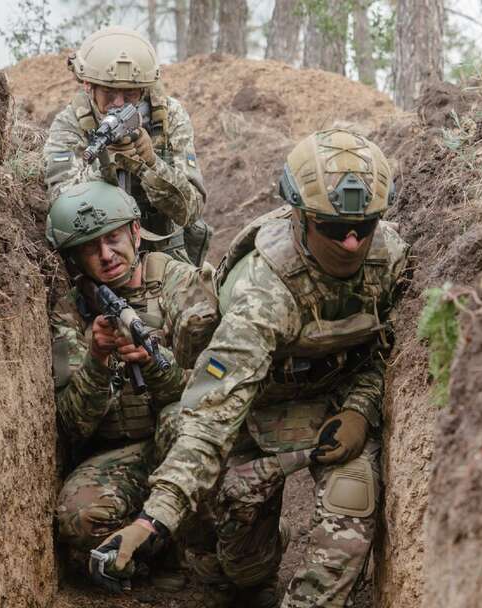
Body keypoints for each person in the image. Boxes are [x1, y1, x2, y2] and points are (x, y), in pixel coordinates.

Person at [91, 129, 411, 607]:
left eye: (364, 227)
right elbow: (212, 413)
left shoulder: (391, 260)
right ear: (301, 218)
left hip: (329, 405)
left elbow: (389, 351)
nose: (350, 243)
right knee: (242, 571)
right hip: (250, 409)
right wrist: (152, 519)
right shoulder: (263, 293)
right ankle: (247, 550)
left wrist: (362, 409)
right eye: (333, 227)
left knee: (353, 492)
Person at [46, 179, 216, 591]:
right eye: (91, 248)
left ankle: (222, 553)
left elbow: (215, 396)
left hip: (184, 438)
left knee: (181, 420)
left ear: (136, 231)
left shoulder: (182, 285)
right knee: (78, 518)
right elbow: (73, 425)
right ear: (76, 258)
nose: (106, 256)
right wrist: (98, 360)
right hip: (123, 451)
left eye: (114, 239)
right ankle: (151, 553)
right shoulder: (72, 310)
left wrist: (158, 368)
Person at [44, 26, 210, 265]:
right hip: (98, 256)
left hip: (163, 255)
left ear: (144, 90)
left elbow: (192, 210)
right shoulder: (71, 123)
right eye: (109, 94)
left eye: (130, 95)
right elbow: (59, 208)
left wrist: (150, 164)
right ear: (88, 86)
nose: (118, 104)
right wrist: (104, 165)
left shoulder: (168, 117)